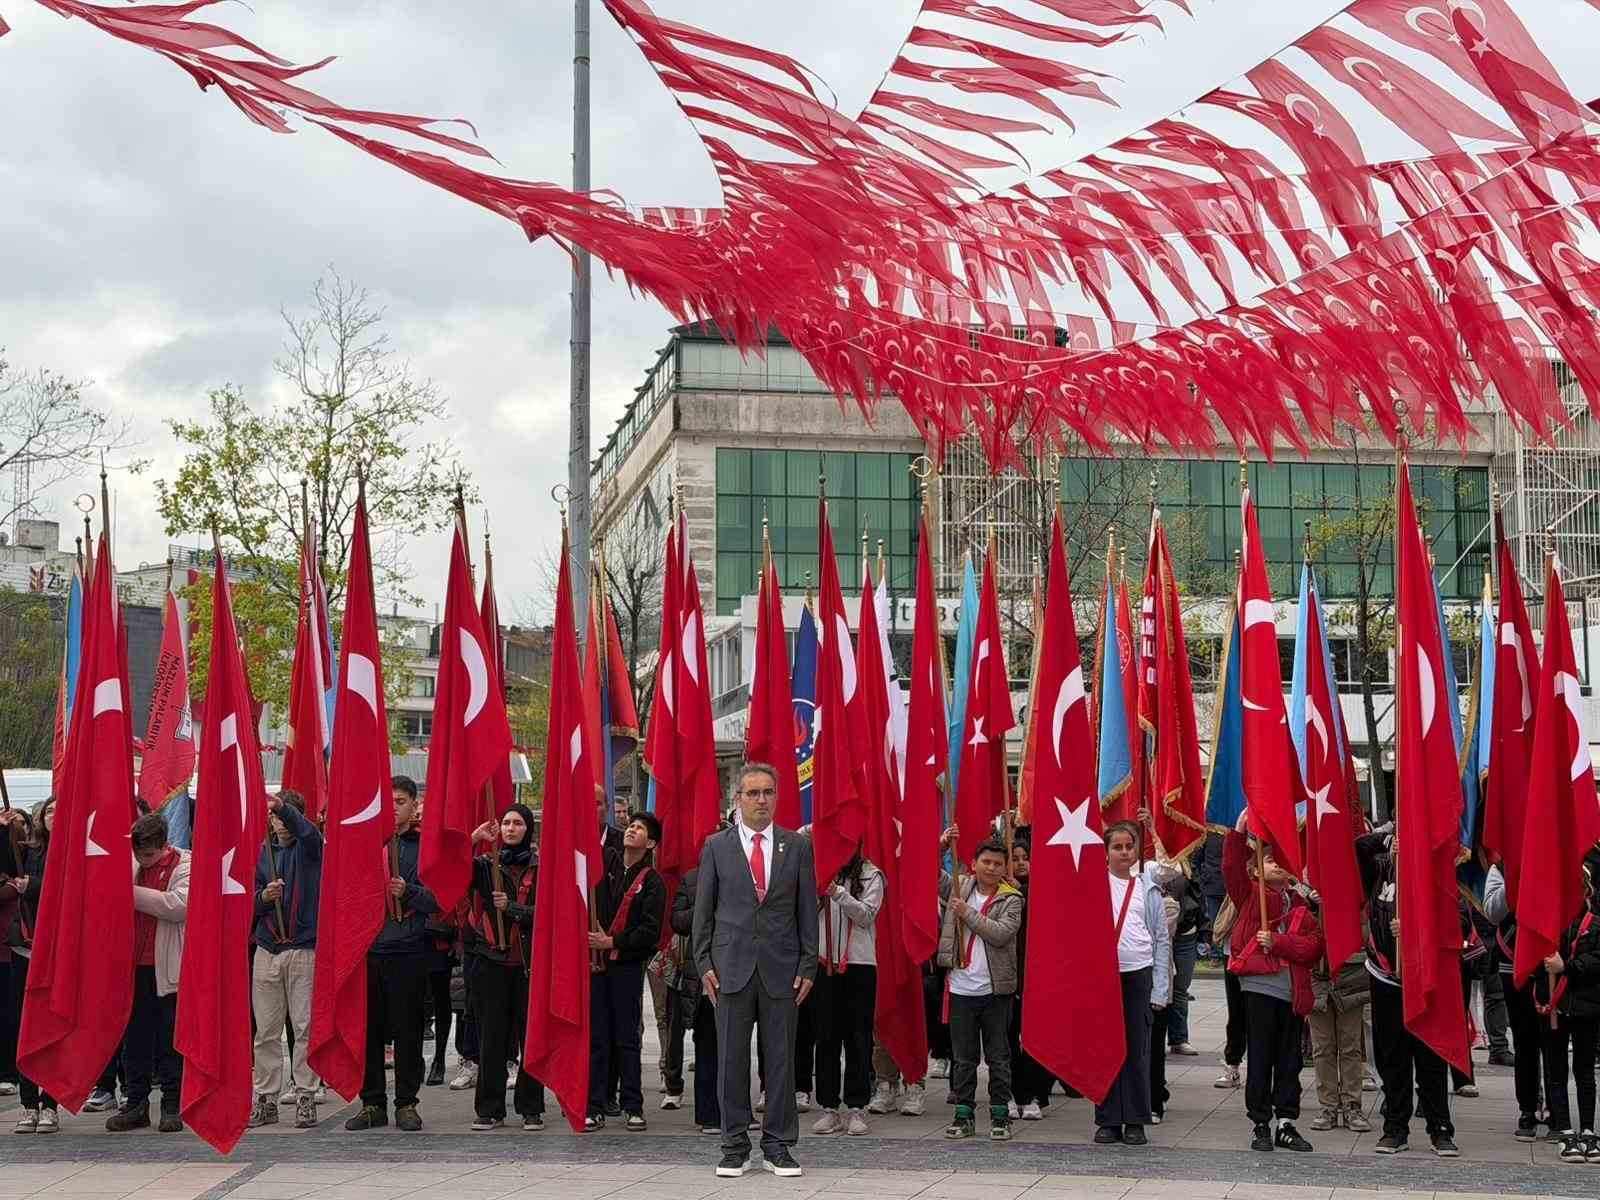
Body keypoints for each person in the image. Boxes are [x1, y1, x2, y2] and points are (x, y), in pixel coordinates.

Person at [692, 762, 819, 1179]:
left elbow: (806, 912)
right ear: (738, 799)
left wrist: (808, 965)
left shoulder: (796, 847)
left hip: (783, 970)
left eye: (768, 792)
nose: (761, 800)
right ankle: (734, 1146)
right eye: (753, 793)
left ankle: (778, 1145)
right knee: (730, 1060)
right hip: (730, 968)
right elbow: (704, 912)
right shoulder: (716, 846)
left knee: (781, 1060)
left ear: (777, 797)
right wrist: (704, 961)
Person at [1223, 816, 1324, 1153]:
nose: (1276, 863)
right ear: (1257, 870)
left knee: (1289, 1061)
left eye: (1281, 859)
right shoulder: (1250, 895)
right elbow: (1231, 866)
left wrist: (1279, 944)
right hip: (1261, 989)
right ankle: (1260, 1123)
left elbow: (1313, 947)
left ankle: (1286, 1122)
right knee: (1261, 1056)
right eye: (1268, 859)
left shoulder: (1299, 904)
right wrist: (1239, 831)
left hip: (1293, 992)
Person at [1357, 826, 1458, 1156]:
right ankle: (1395, 1127)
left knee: (1429, 1056)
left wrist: (1414, 927)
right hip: (1385, 974)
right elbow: (1356, 848)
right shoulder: (1383, 864)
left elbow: (1455, 922)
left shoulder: (1436, 870)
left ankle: (1439, 1128)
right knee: (1392, 1056)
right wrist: (1388, 837)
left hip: (1424, 975)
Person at [345, 778, 438, 1133]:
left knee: (408, 1031)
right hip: (369, 949)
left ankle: (406, 1103)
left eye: (400, 801)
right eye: (389, 801)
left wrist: (409, 891)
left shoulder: (424, 846)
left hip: (409, 949)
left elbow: (438, 899)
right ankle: (371, 1103)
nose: (394, 807)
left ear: (415, 805)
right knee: (369, 1030)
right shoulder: (367, 844)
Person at [106, 813, 190, 1133]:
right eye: (139, 854)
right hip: (134, 966)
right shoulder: (129, 864)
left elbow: (178, 904)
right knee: (135, 1040)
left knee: (170, 1039)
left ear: (164, 845)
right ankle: (136, 1102)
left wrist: (127, 893)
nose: (143, 859)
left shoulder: (185, 864)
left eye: (149, 855)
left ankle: (172, 1104)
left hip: (168, 966)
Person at [937, 832, 1022, 1141]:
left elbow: (1000, 934)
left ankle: (1000, 1115)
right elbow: (929, 872)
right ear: (972, 864)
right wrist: (943, 845)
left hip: (995, 991)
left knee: (999, 1056)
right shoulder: (961, 886)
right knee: (964, 1058)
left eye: (998, 863)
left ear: (1004, 868)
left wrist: (967, 914)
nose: (991, 867)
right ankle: (964, 1114)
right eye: (985, 861)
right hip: (961, 988)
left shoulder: (1012, 898)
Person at [465, 804, 545, 1131]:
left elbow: (549, 913)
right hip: (491, 962)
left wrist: (511, 908)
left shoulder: (541, 867)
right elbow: (453, 872)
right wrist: (473, 839)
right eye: (507, 823)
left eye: (518, 824)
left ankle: (531, 1108)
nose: (511, 829)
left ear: (529, 829)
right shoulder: (486, 865)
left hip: (527, 964)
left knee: (531, 1038)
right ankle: (490, 1108)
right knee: (491, 1037)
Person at [586, 811, 666, 1132]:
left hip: (627, 967)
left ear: (651, 842)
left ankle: (633, 1104)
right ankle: (594, 1104)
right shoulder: (604, 865)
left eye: (640, 828)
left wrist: (612, 941)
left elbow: (650, 932)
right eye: (631, 825)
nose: (632, 830)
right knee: (598, 1037)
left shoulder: (653, 881)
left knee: (627, 1038)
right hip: (597, 966)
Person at [1094, 821, 1171, 1147]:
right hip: (1103, 977)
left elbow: (1161, 939)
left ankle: (1136, 1119)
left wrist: (1160, 987)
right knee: (1105, 1048)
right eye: (1117, 847)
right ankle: (1108, 1119)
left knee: (1137, 1050)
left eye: (1129, 846)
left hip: (1138, 973)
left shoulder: (1147, 888)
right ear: (1106, 852)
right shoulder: (1095, 885)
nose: (1124, 852)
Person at [249, 789, 323, 1130]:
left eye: (285, 817)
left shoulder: (310, 849)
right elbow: (244, 905)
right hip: (267, 948)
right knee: (265, 1030)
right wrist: (264, 897)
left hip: (303, 947)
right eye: (276, 817)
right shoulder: (262, 854)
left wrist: (284, 807)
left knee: (304, 1026)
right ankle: (265, 1098)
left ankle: (306, 1094)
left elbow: (308, 833)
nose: (280, 824)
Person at [811, 847, 883, 1137]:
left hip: (859, 964)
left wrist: (838, 893)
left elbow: (866, 916)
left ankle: (856, 1106)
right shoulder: (818, 869)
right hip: (822, 961)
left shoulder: (872, 874)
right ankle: (829, 1107)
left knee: (858, 1038)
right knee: (826, 1036)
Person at [1538, 852, 1600, 1164]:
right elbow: (1537, 961)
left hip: (1587, 1006)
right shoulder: (1550, 924)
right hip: (1556, 1006)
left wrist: (1568, 966)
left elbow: (1596, 961)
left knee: (1585, 1070)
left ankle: (1588, 1128)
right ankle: (1563, 1127)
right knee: (1556, 1069)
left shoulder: (1596, 923)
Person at [1484, 862, 1545, 1140]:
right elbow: (1493, 912)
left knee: (1554, 1041)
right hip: (1514, 962)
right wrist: (1516, 876)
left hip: (1551, 964)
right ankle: (1528, 1108)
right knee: (1524, 1040)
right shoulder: (1502, 866)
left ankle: (1558, 1111)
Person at [6, 800, 57, 1133]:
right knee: (23, 1026)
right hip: (25, 948)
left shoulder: (72, 853)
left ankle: (50, 1104)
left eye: (59, 811)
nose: (52, 817)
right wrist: (5, 829)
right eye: (48, 811)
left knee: (52, 1029)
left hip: (56, 951)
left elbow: (67, 891)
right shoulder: (27, 851)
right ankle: (28, 1104)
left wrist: (33, 887)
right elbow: (7, 862)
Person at [670, 861, 720, 1134]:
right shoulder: (692, 879)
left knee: (734, 1051)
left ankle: (739, 1111)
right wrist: (704, 904)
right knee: (707, 1049)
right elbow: (677, 921)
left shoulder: (747, 874)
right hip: (703, 977)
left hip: (740, 974)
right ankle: (708, 1114)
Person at [1307, 944, 1372, 1133]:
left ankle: (1352, 1106)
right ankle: (1328, 1107)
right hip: (1317, 975)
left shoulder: (1355, 912)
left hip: (1350, 973)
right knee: (1322, 1048)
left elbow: (1365, 934)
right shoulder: (1307, 913)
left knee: (1350, 1047)